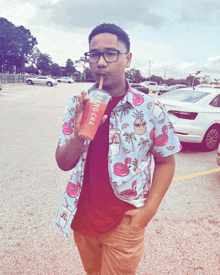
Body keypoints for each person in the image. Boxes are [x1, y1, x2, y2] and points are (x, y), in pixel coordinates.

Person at [55, 23, 181, 275]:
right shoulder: (78, 104)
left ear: (128, 59)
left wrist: (149, 210)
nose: (101, 62)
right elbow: (63, 162)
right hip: (82, 218)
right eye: (94, 54)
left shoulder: (149, 108)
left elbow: (166, 160)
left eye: (110, 53)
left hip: (124, 221)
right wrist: (79, 135)